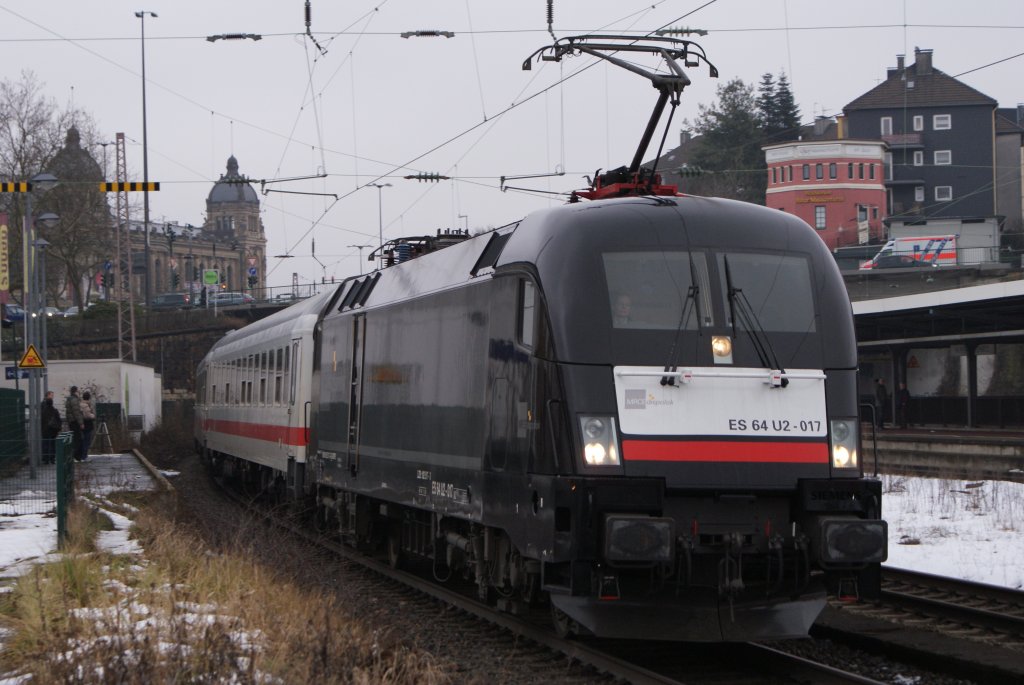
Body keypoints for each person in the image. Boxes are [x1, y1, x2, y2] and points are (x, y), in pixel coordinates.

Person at [64, 385, 86, 462]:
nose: (79, 392)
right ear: (75, 391)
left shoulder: (70, 399)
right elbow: (76, 412)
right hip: (75, 422)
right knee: (78, 439)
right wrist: (81, 423)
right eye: (78, 391)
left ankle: (76, 456)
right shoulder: (74, 400)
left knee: (76, 439)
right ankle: (76, 457)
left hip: (71, 421)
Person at [40, 390, 63, 465]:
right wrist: (59, 428)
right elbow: (59, 420)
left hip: (45, 430)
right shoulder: (55, 410)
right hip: (53, 430)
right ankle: (52, 459)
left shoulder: (43, 411)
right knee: (52, 444)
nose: (53, 396)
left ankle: (46, 459)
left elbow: (41, 420)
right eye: (52, 395)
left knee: (45, 443)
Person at [81, 390, 96, 458]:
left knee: (83, 440)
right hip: (87, 424)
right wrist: (93, 416)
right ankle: (84, 456)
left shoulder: (80, 404)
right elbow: (88, 415)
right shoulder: (86, 405)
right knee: (86, 440)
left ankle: (83, 455)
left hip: (81, 424)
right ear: (89, 398)